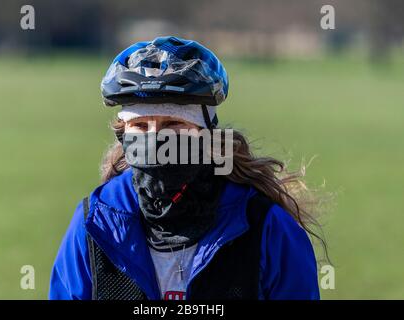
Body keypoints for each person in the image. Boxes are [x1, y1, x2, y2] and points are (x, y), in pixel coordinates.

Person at [49, 36, 323, 300]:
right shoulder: (95, 223)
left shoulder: (267, 227)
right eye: (141, 127)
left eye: (173, 125)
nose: (155, 141)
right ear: (123, 136)